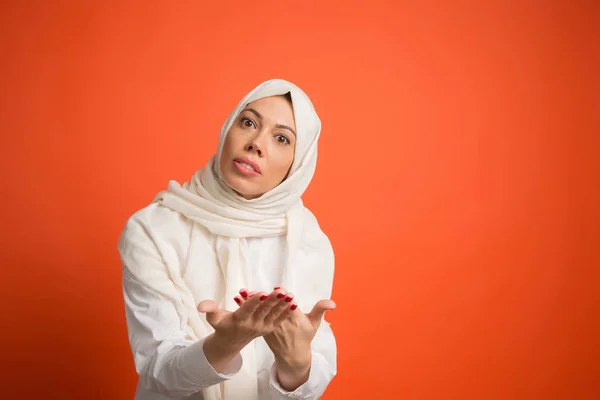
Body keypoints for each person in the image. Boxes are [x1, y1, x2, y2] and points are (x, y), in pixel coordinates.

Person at [118, 79, 337, 400]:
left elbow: (313, 375)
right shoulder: (153, 228)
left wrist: (296, 364)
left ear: (298, 164)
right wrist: (224, 345)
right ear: (227, 129)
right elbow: (158, 372)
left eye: (281, 138)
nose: (256, 143)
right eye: (248, 122)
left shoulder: (308, 241)